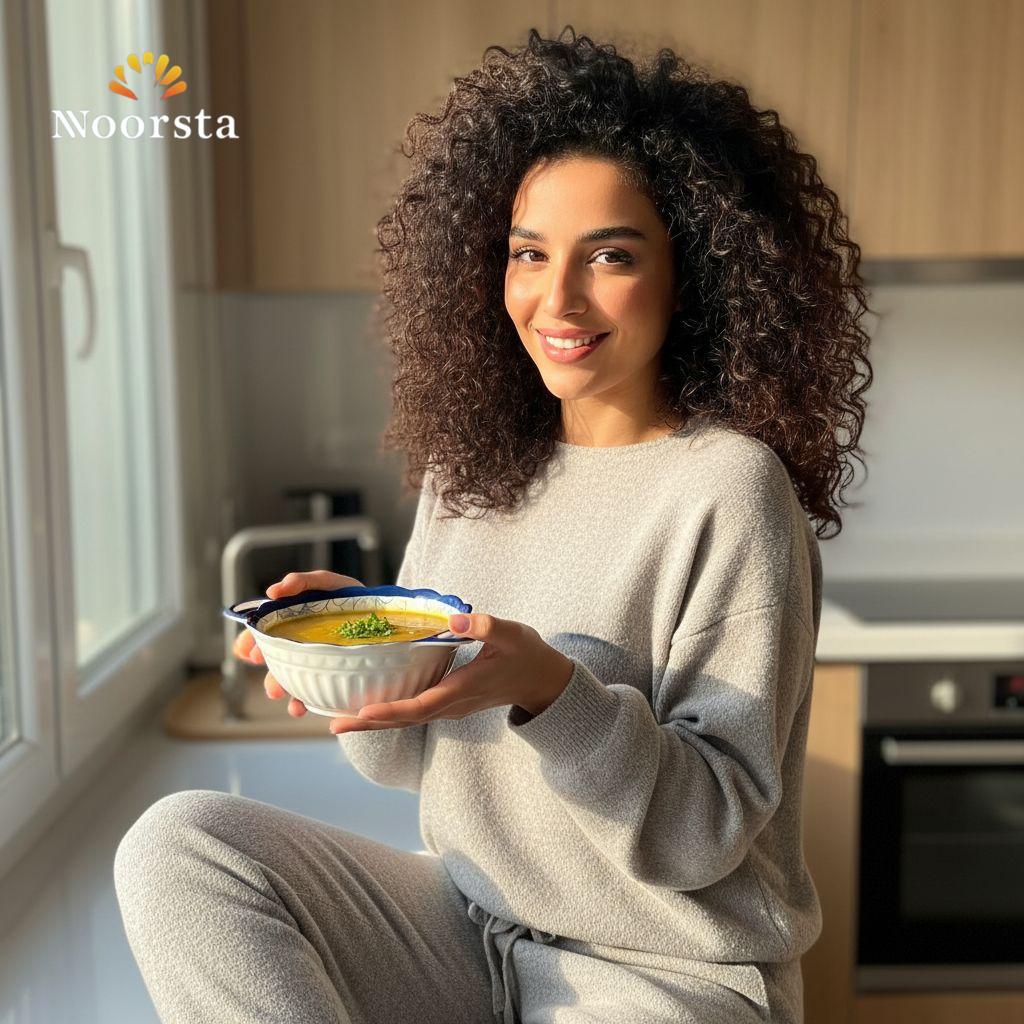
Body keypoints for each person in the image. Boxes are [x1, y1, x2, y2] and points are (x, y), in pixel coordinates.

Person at [114, 26, 873, 1024]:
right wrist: (365, 647)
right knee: (180, 846)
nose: (555, 298)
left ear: (693, 271)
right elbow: (398, 764)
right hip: (470, 936)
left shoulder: (727, 489)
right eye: (527, 253)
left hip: (665, 977)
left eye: (609, 255)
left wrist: (550, 688)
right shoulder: (470, 471)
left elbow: (704, 832)